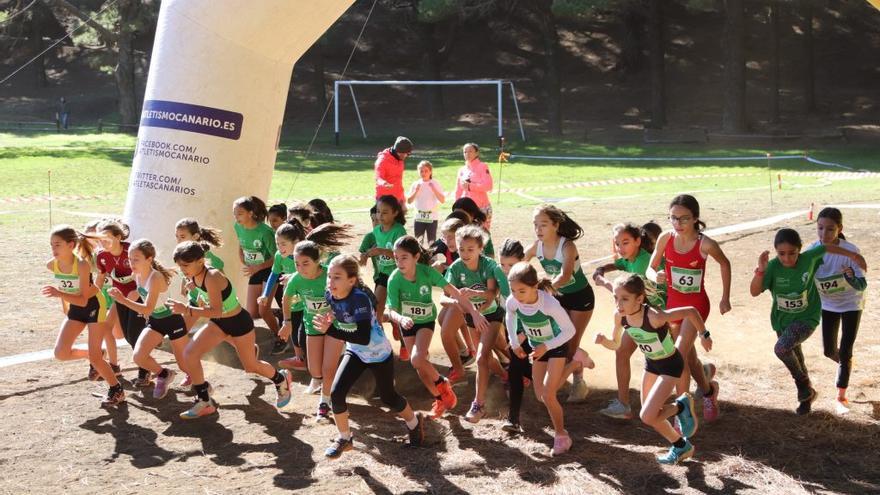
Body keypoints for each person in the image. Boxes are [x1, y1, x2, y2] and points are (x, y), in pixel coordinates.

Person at [314, 255, 425, 459]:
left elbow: (363, 337)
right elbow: (341, 314)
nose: (331, 282)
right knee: (336, 393)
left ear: (352, 280)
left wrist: (330, 330)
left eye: (337, 277)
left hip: (378, 353)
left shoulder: (360, 299)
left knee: (388, 397)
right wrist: (331, 317)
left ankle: (415, 424)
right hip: (355, 352)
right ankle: (345, 438)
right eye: (329, 276)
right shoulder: (330, 294)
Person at [167, 241, 293, 419]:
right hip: (219, 323)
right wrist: (194, 291)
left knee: (251, 366)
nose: (182, 269)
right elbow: (210, 306)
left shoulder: (212, 276)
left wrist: (186, 309)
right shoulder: (193, 276)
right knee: (190, 353)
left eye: (185, 265)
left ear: (200, 261)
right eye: (179, 266)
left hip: (239, 323)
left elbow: (216, 310)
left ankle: (281, 380)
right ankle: (204, 400)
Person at [750, 228, 866, 415]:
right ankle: (807, 397)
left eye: (792, 253)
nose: (787, 259)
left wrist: (853, 255)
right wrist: (761, 271)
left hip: (807, 318)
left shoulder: (808, 258)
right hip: (782, 321)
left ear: (800, 250)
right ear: (776, 252)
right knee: (797, 358)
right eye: (781, 254)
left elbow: (828, 247)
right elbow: (754, 292)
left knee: (781, 348)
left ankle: (803, 385)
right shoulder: (772, 267)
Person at [600, 274, 708, 465]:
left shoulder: (654, 317)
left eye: (624, 299)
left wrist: (704, 334)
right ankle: (681, 445)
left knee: (647, 416)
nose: (619, 303)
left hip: (670, 365)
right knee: (652, 415)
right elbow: (616, 343)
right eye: (616, 298)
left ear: (640, 299)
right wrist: (604, 342)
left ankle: (681, 406)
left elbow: (691, 311)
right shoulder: (620, 317)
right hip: (651, 364)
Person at [385, 235, 486, 418]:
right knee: (420, 367)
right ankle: (440, 398)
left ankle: (443, 383)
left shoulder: (427, 273)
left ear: (416, 257)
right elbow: (390, 310)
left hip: (425, 323)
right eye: (396, 257)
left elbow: (453, 291)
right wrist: (400, 319)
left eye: (404, 257)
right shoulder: (394, 279)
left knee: (417, 359)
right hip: (406, 324)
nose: (399, 262)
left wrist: (472, 310)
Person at [647, 195, 726, 422]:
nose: (678, 224)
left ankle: (683, 411)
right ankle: (709, 391)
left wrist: (725, 298)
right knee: (689, 360)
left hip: (696, 305)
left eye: (684, 219)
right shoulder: (665, 238)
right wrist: (656, 275)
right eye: (673, 218)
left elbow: (725, 263)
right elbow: (650, 268)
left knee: (678, 355)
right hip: (673, 305)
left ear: (695, 219)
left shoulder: (705, 243)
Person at [506, 262, 589, 456]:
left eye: (522, 291)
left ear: (535, 287)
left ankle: (561, 436)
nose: (517, 296)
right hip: (539, 348)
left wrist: (546, 346)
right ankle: (576, 363)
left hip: (556, 346)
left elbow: (570, 330)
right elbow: (510, 316)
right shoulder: (513, 301)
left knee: (548, 395)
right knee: (540, 395)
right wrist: (515, 343)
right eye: (513, 290)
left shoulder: (549, 304)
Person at [280, 223, 354, 421]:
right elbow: (286, 299)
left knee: (328, 368)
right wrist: (287, 322)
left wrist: (333, 314)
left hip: (334, 327)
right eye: (297, 264)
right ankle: (321, 383)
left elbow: (346, 295)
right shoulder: (296, 279)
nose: (300, 268)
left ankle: (324, 402)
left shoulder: (329, 276)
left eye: (305, 263)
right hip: (312, 326)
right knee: (314, 369)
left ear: (317, 262)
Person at [43, 225, 123, 406]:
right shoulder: (51, 264)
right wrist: (64, 306)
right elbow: (64, 288)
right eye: (51, 245)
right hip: (75, 309)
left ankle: (116, 389)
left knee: (96, 359)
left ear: (71, 245)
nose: (53, 249)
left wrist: (59, 295)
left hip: (93, 307)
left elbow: (83, 299)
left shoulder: (81, 264)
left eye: (57, 245)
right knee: (61, 353)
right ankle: (93, 354)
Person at [592, 222, 665, 419]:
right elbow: (618, 263)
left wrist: (604, 282)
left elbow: (629, 297)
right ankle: (623, 404)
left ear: (638, 241)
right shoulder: (632, 258)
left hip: (659, 317)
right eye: (617, 243)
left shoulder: (642, 263)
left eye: (625, 243)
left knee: (676, 359)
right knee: (623, 352)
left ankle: (705, 381)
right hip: (644, 315)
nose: (620, 248)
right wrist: (601, 267)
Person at [523, 205, 595, 403]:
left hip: (581, 298)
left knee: (570, 345)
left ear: (555, 225)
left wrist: (543, 290)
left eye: (543, 225)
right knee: (558, 341)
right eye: (535, 225)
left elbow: (565, 276)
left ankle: (578, 381)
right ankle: (559, 374)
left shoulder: (567, 246)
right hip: (559, 298)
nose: (538, 229)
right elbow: (521, 266)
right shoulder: (535, 246)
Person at [108, 239, 189, 400]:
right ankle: (164, 374)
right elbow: (143, 299)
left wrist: (122, 300)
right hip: (156, 321)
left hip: (172, 320)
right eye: (130, 259)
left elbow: (147, 308)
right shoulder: (137, 274)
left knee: (184, 363)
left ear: (149, 259)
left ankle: (203, 387)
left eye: (136, 259)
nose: (131, 263)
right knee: (138, 357)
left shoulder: (155, 277)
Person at [441, 225, 505, 422]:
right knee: (489, 358)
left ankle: (478, 405)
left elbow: (492, 294)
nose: (465, 254)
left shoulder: (488, 265)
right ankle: (508, 377)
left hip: (492, 315)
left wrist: (475, 296)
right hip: (472, 318)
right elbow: (445, 298)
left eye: (470, 249)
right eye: (461, 249)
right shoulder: (455, 268)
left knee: (481, 358)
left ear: (480, 248)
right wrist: (461, 303)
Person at [809, 208, 867, 414]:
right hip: (828, 305)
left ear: (839, 229)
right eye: (820, 228)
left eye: (830, 229)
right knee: (828, 350)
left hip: (852, 304)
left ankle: (841, 396)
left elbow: (861, 284)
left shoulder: (851, 250)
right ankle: (846, 362)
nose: (824, 234)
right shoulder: (812, 250)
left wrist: (850, 277)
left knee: (846, 348)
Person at [95, 219, 150, 386]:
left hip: (137, 298)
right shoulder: (102, 256)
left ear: (118, 237)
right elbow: (101, 277)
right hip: (119, 298)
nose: (103, 242)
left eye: (107, 238)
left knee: (135, 333)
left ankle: (145, 371)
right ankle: (143, 363)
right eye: (100, 239)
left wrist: (139, 290)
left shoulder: (131, 250)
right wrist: (92, 295)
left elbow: (148, 272)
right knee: (127, 334)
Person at [359, 195, 407, 359]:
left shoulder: (399, 230)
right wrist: (365, 256)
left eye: (385, 212)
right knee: (375, 311)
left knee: (398, 311)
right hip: (383, 276)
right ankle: (381, 346)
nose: (380, 216)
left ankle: (404, 344)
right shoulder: (375, 231)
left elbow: (402, 255)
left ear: (395, 213)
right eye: (378, 212)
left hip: (399, 276)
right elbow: (369, 247)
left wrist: (381, 251)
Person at [232, 196, 279, 343]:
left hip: (270, 270)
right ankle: (277, 314)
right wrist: (242, 257)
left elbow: (277, 258)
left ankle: (280, 337)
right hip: (254, 270)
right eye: (235, 214)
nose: (236, 217)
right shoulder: (237, 226)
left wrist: (257, 267)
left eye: (240, 213)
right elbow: (241, 243)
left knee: (263, 310)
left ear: (250, 213)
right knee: (252, 312)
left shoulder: (265, 232)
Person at [407, 160, 445, 245]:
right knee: (418, 241)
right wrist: (416, 191)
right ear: (418, 171)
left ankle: (433, 258)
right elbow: (409, 201)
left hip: (432, 217)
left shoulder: (435, 183)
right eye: (421, 171)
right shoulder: (416, 184)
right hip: (419, 217)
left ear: (430, 171)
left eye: (426, 171)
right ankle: (419, 258)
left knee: (432, 241)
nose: (423, 173)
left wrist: (434, 189)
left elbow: (442, 200)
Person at [454, 143, 493, 225]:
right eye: (465, 152)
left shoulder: (483, 166)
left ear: (477, 153)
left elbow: (488, 186)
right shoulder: (461, 170)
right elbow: (458, 191)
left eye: (470, 151)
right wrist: (456, 206)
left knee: (482, 235)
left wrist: (470, 187)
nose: (467, 154)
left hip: (481, 208)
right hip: (465, 209)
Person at [374, 136, 413, 212]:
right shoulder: (382, 160)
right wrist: (384, 183)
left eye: (407, 154)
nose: (405, 156)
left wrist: (403, 201)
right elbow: (378, 178)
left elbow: (398, 180)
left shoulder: (399, 158)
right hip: (384, 201)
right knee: (384, 223)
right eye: (403, 154)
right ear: (396, 151)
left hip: (398, 199)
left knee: (399, 223)